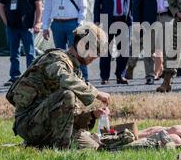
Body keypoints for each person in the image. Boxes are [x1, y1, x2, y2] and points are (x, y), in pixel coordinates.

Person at [7, 22, 112, 150]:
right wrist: (96, 93)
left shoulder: (74, 70)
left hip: (42, 123)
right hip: (28, 124)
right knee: (67, 95)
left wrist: (93, 115)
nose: (95, 57)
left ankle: (50, 145)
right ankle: (62, 150)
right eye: (95, 51)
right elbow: (64, 79)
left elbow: (69, 115)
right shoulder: (56, 59)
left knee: (95, 145)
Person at [126, 0, 171, 85]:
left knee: (166, 48)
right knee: (148, 48)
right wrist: (137, 23)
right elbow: (136, 4)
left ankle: (167, 75)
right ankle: (149, 75)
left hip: (165, 17)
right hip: (149, 19)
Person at [42, 0, 89, 82]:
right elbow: (47, 9)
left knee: (77, 52)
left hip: (73, 24)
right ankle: (63, 79)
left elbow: (83, 7)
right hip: (57, 25)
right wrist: (45, 27)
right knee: (60, 54)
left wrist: (79, 23)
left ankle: (83, 79)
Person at [0, 0, 43, 86]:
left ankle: (31, 77)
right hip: (12, 27)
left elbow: (38, 6)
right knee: (14, 53)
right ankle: (15, 77)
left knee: (30, 53)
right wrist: (5, 21)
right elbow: (1, 6)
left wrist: (38, 22)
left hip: (27, 26)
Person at [93, 0, 134, 85]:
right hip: (107, 21)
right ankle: (104, 77)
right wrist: (96, 21)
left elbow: (133, 3)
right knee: (106, 50)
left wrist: (133, 19)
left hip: (124, 21)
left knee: (124, 50)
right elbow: (97, 4)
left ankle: (120, 75)